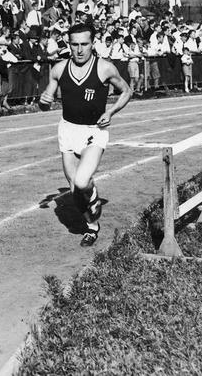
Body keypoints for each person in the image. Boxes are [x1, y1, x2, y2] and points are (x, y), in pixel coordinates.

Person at [38, 23, 132, 246]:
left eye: (84, 44)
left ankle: (92, 194)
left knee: (81, 182)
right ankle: (92, 226)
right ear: (68, 45)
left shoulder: (105, 68)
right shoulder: (59, 69)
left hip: (94, 131)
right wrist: (43, 102)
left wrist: (110, 111)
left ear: (92, 44)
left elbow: (127, 91)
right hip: (68, 130)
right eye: (74, 45)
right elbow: (45, 102)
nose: (79, 50)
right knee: (74, 191)